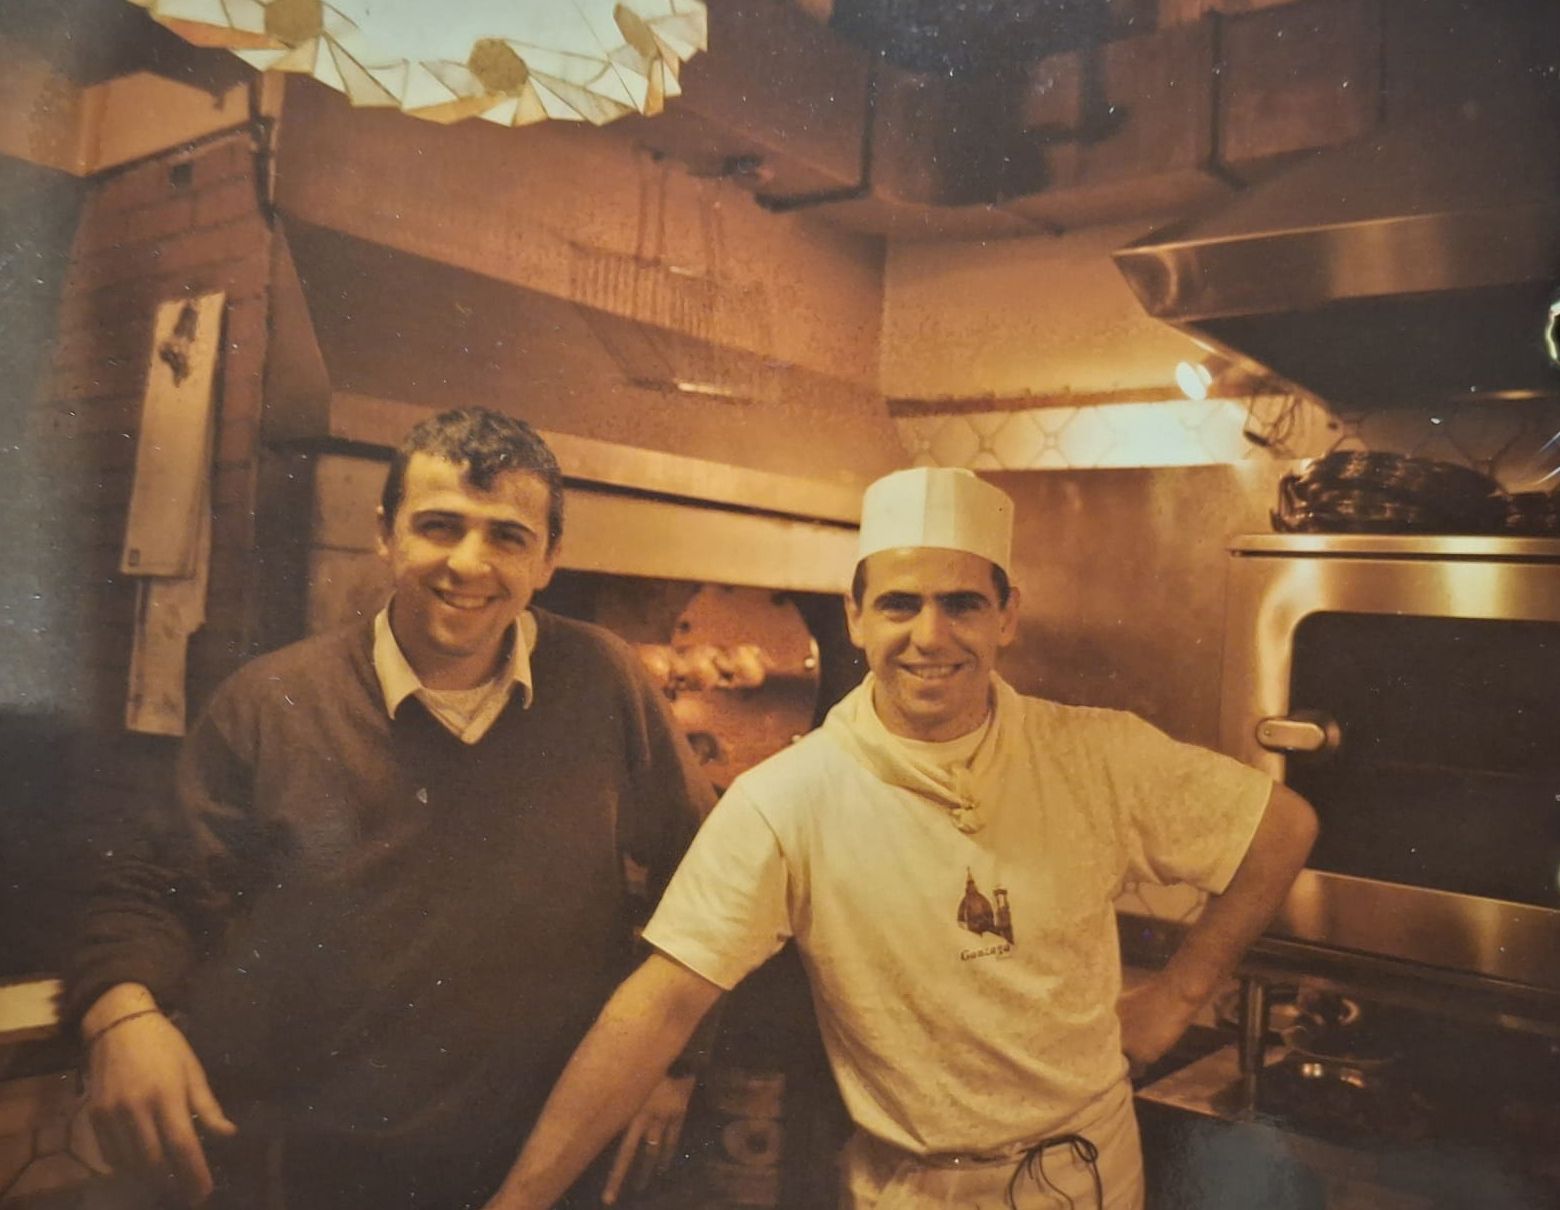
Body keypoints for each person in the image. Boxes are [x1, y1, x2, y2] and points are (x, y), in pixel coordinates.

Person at [484, 466, 1318, 1209]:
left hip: (1085, 1177)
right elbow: (661, 1002)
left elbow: (1281, 826)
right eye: (899, 604)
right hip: (906, 1190)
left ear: (1007, 616)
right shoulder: (791, 798)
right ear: (855, 618)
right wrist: (519, 1202)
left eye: (962, 604)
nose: (930, 636)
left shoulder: (1094, 754)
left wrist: (1177, 996)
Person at [64, 408, 715, 1209]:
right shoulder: (271, 703)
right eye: (439, 526)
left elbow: (710, 882)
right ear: (386, 534)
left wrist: (672, 1064)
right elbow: (147, 886)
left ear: (549, 559)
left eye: (507, 536)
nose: (468, 563)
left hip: (548, 1163)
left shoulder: (605, 679)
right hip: (325, 1173)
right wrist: (122, 1018)